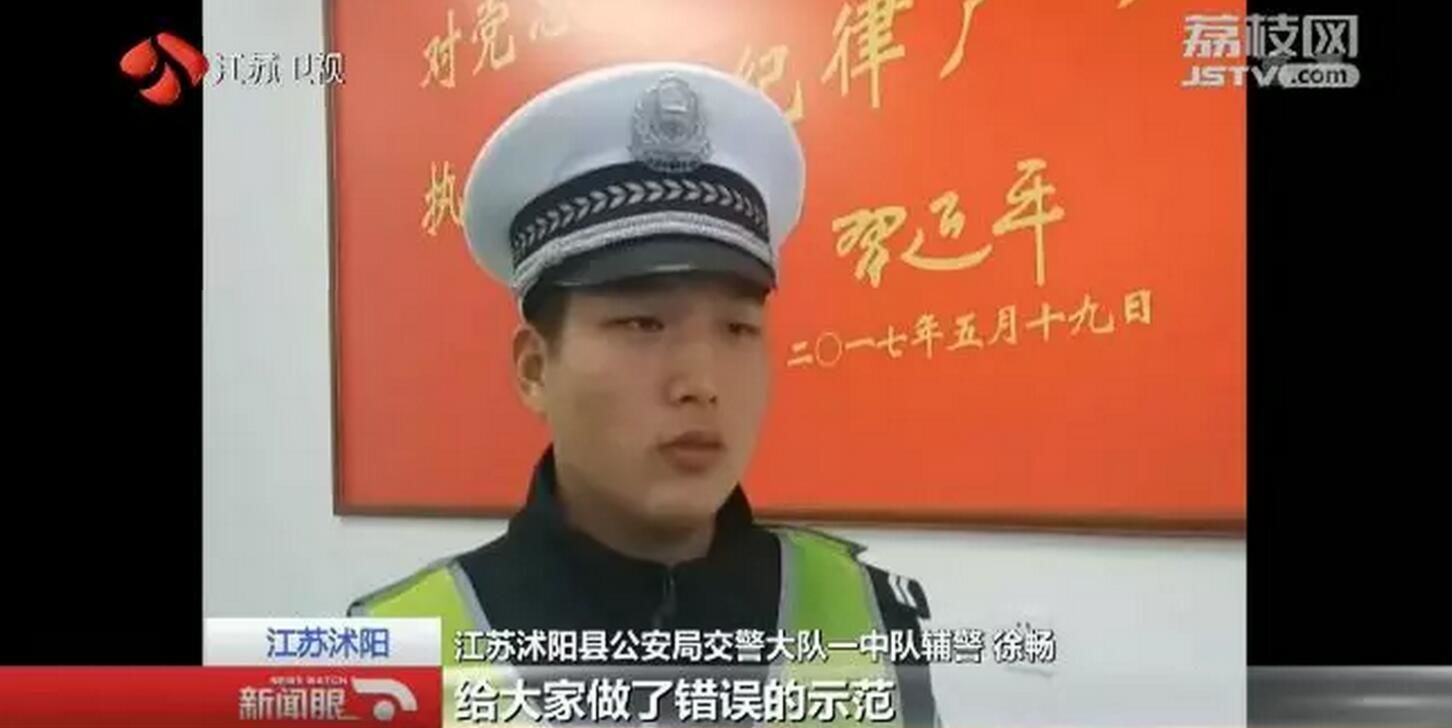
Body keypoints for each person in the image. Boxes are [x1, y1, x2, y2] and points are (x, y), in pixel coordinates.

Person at [349, 61, 940, 726]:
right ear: (535, 369)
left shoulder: (872, 618)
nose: (701, 385)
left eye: (738, 329)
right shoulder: (388, 663)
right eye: (642, 325)